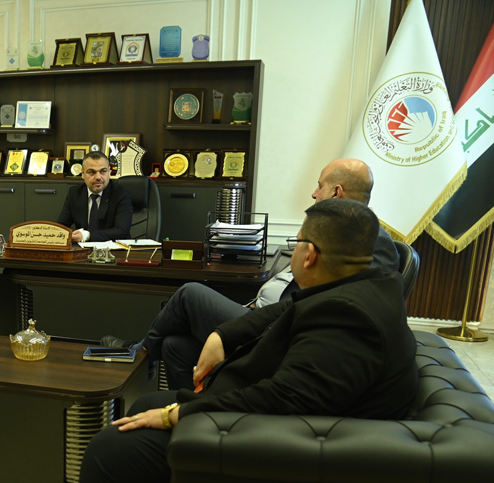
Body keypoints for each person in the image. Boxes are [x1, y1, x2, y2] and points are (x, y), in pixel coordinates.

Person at [26, 197, 419, 483]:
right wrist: (221, 335)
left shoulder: (347, 320)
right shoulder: (365, 287)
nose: (292, 251)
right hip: (269, 429)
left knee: (106, 451)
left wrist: (180, 414)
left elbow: (284, 398)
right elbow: (286, 312)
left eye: (295, 243)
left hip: (266, 458)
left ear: (309, 255)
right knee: (141, 407)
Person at [104, 158, 400, 390]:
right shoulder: (335, 230)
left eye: (319, 185)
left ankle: (140, 351)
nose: (313, 193)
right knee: (175, 346)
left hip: (277, 329)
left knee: (189, 293)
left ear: (336, 192)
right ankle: (187, 412)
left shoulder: (372, 241)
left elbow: (330, 304)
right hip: (263, 313)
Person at [56, 151, 133, 242]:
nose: (98, 177)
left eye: (103, 171)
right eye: (92, 172)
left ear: (109, 172)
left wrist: (87, 235)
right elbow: (61, 226)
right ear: (83, 173)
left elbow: (121, 231)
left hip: (114, 248)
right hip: (82, 249)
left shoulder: (121, 193)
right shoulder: (75, 193)